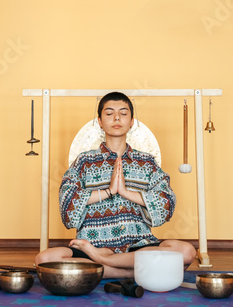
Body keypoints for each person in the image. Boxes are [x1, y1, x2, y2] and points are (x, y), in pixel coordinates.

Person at [34, 92, 196, 278]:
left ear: (132, 121)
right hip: (92, 245)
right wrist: (108, 191)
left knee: (186, 251)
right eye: (109, 113)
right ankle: (131, 272)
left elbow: (166, 202)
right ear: (100, 121)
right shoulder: (84, 162)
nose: (116, 118)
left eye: (123, 113)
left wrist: (126, 192)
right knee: (44, 259)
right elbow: (68, 203)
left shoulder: (147, 162)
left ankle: (106, 266)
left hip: (138, 246)